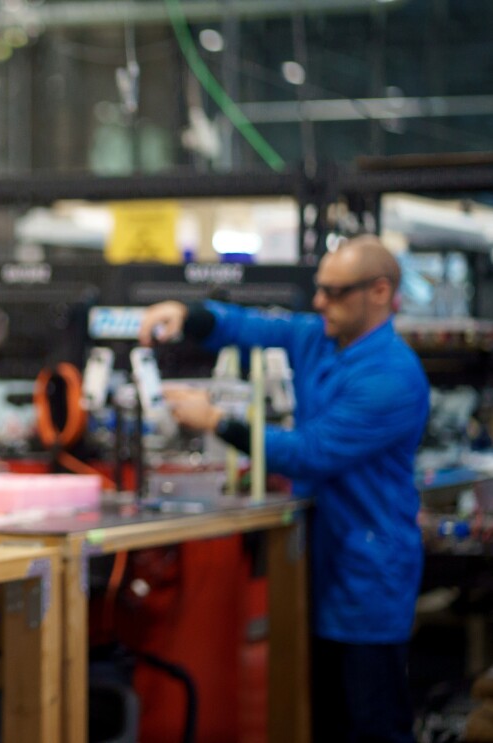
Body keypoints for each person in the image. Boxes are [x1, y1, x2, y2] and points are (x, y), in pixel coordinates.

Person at [137, 235, 429, 743]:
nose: (319, 303)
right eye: (320, 290)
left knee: (372, 722)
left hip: (369, 577)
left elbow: (313, 452)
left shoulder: (393, 377)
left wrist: (218, 421)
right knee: (327, 721)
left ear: (380, 292)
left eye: (335, 292)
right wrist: (189, 316)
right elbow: (254, 326)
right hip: (324, 565)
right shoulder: (322, 337)